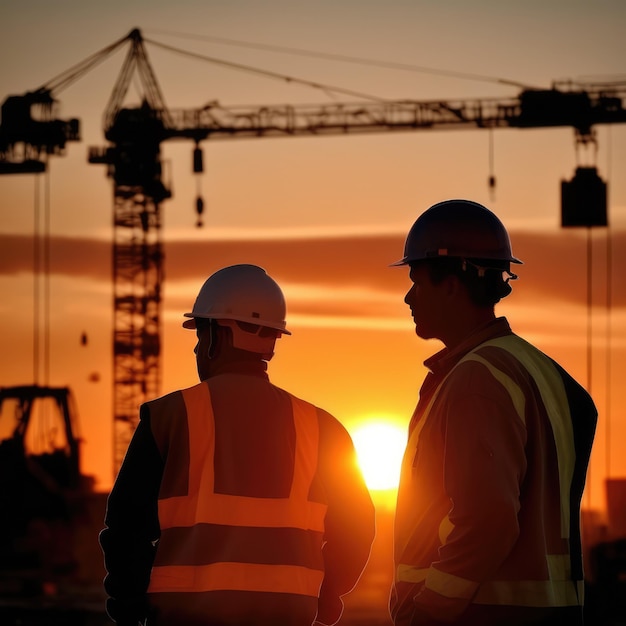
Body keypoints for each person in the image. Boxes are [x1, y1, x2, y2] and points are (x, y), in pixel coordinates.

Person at [100, 263, 375, 626]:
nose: (198, 348)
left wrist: (129, 604)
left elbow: (126, 529)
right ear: (273, 341)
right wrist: (326, 594)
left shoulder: (169, 417)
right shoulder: (321, 427)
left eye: (200, 335)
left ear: (217, 335)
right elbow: (357, 527)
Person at [389, 200, 597, 626]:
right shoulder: (541, 371)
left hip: (480, 614)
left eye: (417, 280)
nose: (408, 296)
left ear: (452, 284)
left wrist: (429, 609)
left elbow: (487, 521)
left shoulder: (476, 379)